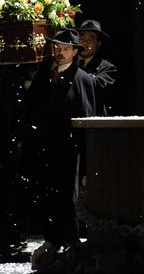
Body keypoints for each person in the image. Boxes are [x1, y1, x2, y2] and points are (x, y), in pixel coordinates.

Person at [25, 28, 97, 261]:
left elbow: (87, 117)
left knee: (68, 196)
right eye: (56, 47)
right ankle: (52, 239)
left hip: (69, 149)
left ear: (75, 52)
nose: (59, 52)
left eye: (65, 49)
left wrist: (85, 154)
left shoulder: (82, 78)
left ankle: (70, 242)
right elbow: (31, 106)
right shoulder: (44, 73)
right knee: (47, 194)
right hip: (45, 146)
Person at [75, 19, 119, 116]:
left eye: (91, 39)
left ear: (98, 44)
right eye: (82, 38)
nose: (85, 42)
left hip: (92, 120)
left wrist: (72, 73)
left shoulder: (107, 67)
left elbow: (98, 87)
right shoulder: (69, 61)